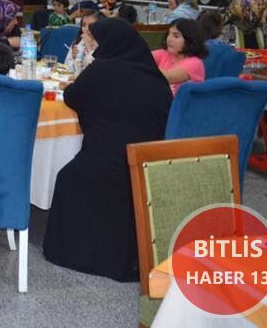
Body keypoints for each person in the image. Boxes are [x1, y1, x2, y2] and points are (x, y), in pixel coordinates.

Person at [44, 19, 173, 282]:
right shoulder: (153, 74)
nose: (95, 47)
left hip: (108, 164)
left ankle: (81, 252)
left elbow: (73, 96)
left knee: (68, 178)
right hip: (147, 164)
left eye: (97, 41)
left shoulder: (102, 70)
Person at [153, 18, 207, 95]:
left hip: (182, 103)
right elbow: (142, 56)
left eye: (176, 36)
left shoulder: (195, 63)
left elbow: (167, 77)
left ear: (190, 40)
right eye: (169, 34)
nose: (169, 39)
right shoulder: (164, 54)